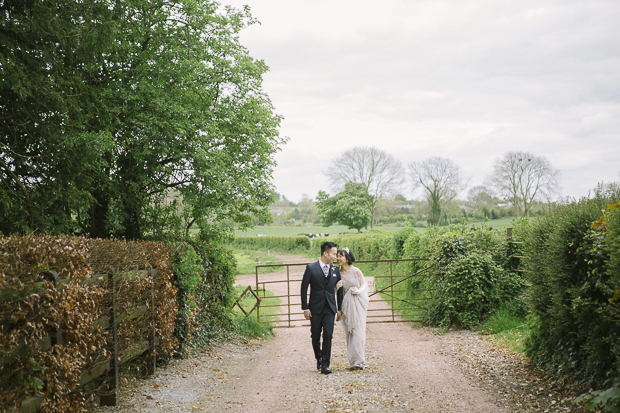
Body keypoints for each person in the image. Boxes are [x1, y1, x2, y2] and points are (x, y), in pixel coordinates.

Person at [300, 241, 343, 374]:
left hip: (330, 308)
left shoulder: (335, 270)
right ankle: (318, 357)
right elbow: (303, 288)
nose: (335, 257)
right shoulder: (311, 268)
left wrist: (339, 308)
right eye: (333, 254)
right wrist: (305, 308)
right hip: (315, 309)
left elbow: (340, 290)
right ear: (325, 253)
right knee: (315, 335)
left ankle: (325, 364)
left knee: (328, 335)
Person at [336, 247, 369, 370]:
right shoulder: (337, 274)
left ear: (347, 258)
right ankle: (353, 361)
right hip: (346, 306)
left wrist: (357, 291)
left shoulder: (356, 271)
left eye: (341, 256)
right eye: (337, 256)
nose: (338, 258)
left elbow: (364, 285)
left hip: (357, 304)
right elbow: (336, 292)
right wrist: (337, 287)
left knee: (358, 331)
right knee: (349, 332)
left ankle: (360, 361)